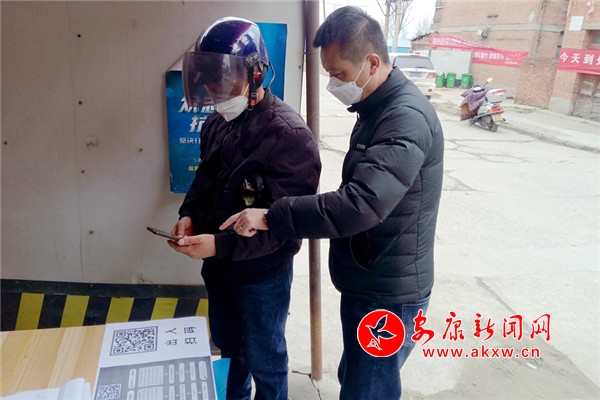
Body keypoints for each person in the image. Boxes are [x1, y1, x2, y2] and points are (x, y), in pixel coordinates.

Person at [218, 6, 444, 400]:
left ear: (371, 63)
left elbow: (359, 204)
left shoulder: (404, 119)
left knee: (367, 389)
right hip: (369, 277)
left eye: (338, 74)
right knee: (356, 375)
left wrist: (270, 216)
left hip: (389, 294)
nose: (333, 85)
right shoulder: (375, 107)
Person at [168, 17, 321, 400]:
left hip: (261, 273)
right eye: (207, 77)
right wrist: (188, 214)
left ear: (256, 74)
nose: (213, 88)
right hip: (220, 267)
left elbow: (284, 225)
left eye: (223, 78)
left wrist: (218, 244)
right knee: (231, 347)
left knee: (264, 357)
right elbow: (204, 180)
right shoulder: (217, 122)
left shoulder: (289, 137)